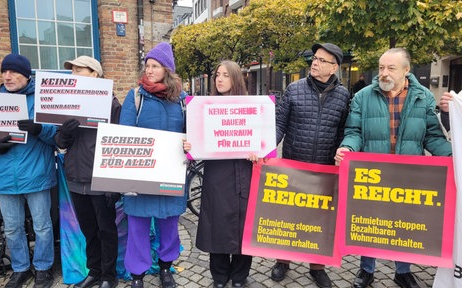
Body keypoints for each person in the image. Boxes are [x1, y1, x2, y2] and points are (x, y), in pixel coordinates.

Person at [334, 48, 452, 288]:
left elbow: (432, 136)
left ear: (406, 71)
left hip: (409, 174)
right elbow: (354, 132)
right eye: (381, 68)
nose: (384, 74)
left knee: (405, 223)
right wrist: (347, 148)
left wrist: (453, 157)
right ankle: (366, 270)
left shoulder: (424, 97)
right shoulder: (362, 97)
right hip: (373, 174)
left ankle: (403, 271)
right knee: (370, 221)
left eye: (391, 68)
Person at [272, 43, 351, 288]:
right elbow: (278, 125)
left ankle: (317, 267)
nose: (314, 63)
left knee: (320, 221)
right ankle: (282, 261)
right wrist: (266, 150)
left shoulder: (344, 96)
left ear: (334, 67)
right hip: (293, 166)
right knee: (289, 217)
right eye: (314, 58)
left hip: (325, 170)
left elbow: (343, 132)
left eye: (322, 60)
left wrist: (343, 155)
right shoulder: (294, 89)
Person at [0, 54, 57, 288]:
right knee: (12, 227)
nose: (7, 76)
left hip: (36, 173)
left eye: (13, 72)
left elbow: (56, 136)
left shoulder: (43, 99)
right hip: (5, 175)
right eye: (4, 72)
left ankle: (43, 268)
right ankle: (20, 268)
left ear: (27, 75)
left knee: (42, 225)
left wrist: (40, 129)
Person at [183, 60, 257, 288]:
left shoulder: (252, 107)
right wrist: (189, 145)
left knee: (244, 225)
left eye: (226, 75)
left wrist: (258, 150)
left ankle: (240, 275)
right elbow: (195, 139)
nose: (220, 79)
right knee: (217, 225)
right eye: (217, 74)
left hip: (244, 172)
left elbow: (264, 137)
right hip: (217, 174)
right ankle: (219, 276)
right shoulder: (204, 107)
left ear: (236, 78)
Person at [119, 42, 187, 288]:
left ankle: (166, 267)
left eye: (155, 66)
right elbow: (124, 135)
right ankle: (137, 274)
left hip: (171, 173)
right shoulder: (135, 97)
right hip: (141, 174)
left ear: (166, 70)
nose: (148, 70)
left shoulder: (182, 100)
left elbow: (191, 133)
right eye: (147, 65)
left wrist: (190, 146)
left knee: (169, 224)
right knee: (137, 226)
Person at [55, 56, 122, 288]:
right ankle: (94, 271)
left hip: (99, 178)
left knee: (106, 230)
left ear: (94, 74)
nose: (73, 74)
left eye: (78, 70)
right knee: (88, 230)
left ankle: (109, 276)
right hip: (75, 176)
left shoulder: (112, 104)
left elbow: (118, 143)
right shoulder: (67, 103)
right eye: (71, 70)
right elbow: (59, 143)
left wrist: (113, 183)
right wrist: (64, 133)